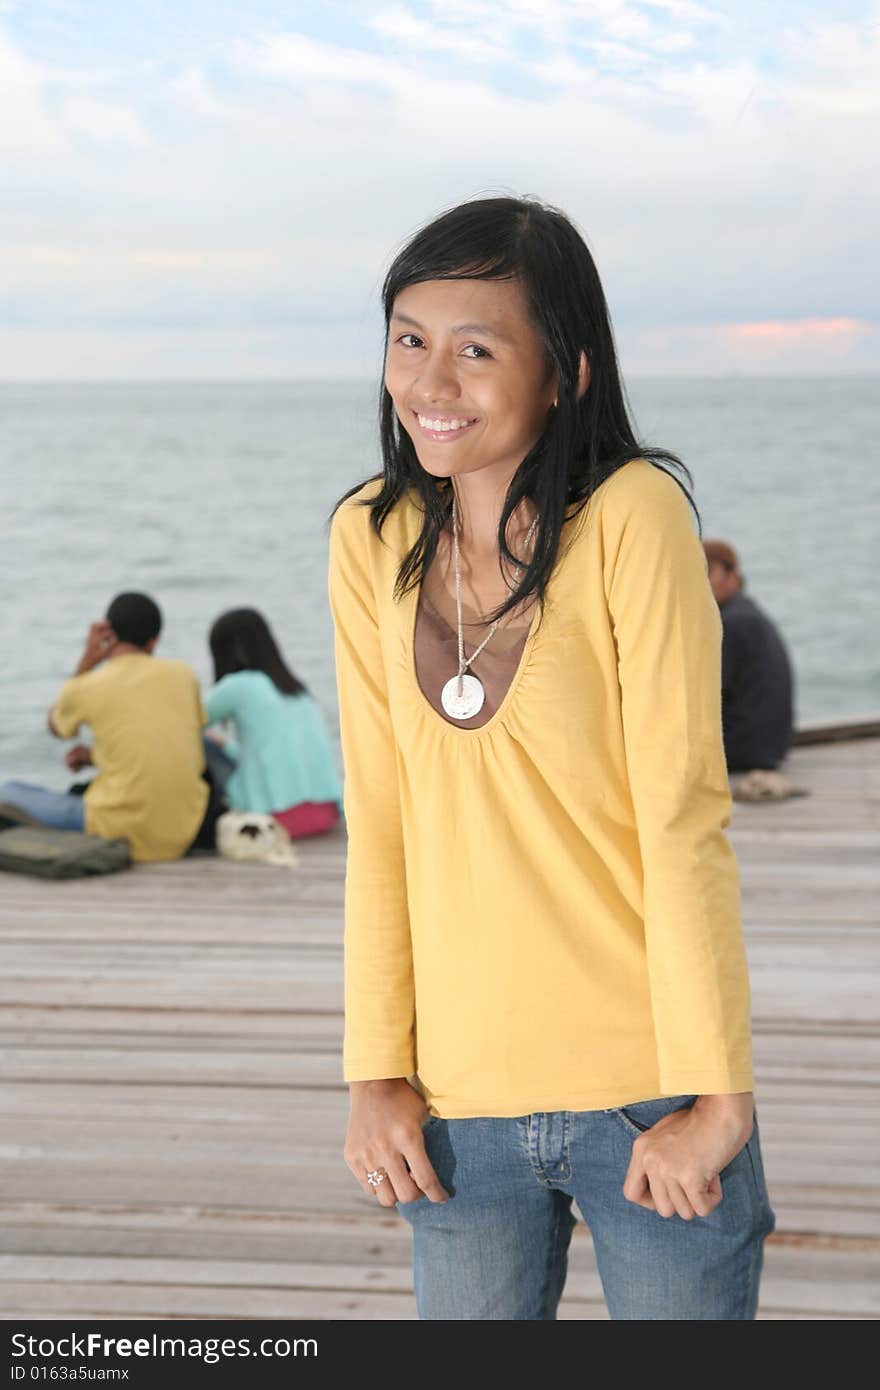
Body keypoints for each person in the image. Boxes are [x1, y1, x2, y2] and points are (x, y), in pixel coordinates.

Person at [326, 195, 776, 1321]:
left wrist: (718, 1099)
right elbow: (378, 821)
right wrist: (374, 1072)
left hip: (647, 1095)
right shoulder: (368, 537)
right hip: (453, 1105)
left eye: (477, 349)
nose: (431, 383)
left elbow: (681, 813)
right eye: (409, 340)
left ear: (563, 371)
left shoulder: (631, 515)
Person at [0, 592, 215, 862]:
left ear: (107, 633)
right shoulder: (185, 675)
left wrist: (88, 660)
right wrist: (93, 756)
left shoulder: (90, 685)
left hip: (119, 832)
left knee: (8, 791)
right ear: (154, 641)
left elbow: (56, 725)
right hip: (181, 830)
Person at [203, 607, 343, 839]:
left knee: (198, 740)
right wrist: (225, 744)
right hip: (325, 814)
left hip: (275, 819)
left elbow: (186, 719)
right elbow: (266, 753)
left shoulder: (237, 685)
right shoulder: (297, 690)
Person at [702, 539, 795, 774]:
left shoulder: (731, 623)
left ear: (733, 574)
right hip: (771, 747)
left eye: (708, 572)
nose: (701, 582)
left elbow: (708, 694)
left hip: (745, 750)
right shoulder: (747, 613)